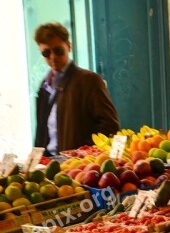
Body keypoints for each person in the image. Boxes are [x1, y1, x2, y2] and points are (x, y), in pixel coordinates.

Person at [33, 23, 120, 156]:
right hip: (49, 164)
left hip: (78, 166)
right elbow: (41, 132)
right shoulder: (44, 86)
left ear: (69, 46)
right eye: (46, 53)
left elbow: (110, 125)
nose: (53, 57)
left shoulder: (89, 80)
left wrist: (83, 152)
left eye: (58, 51)